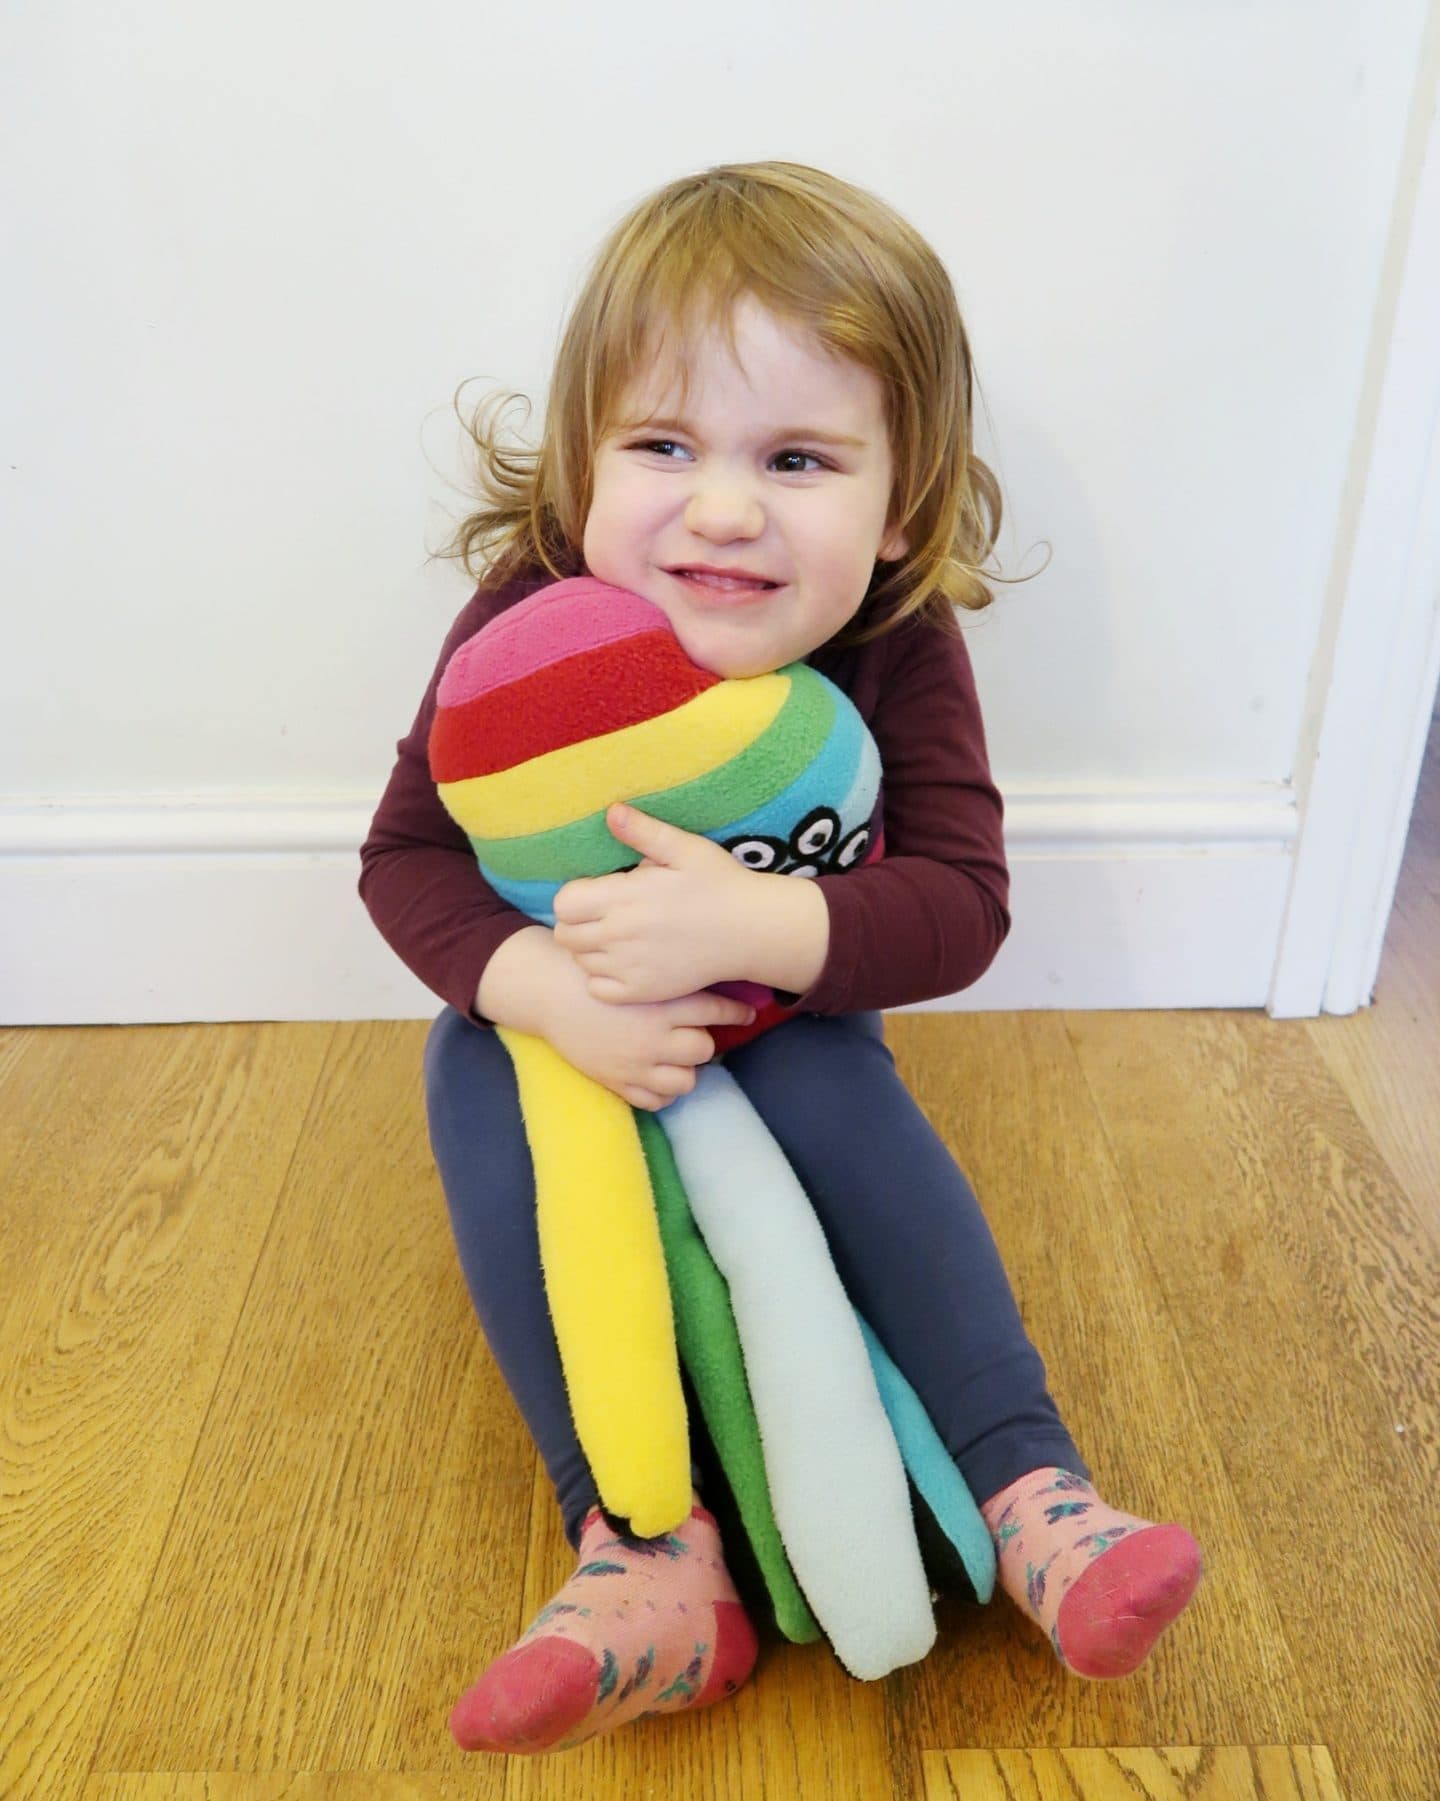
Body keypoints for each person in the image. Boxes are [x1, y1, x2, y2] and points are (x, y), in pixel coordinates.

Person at [359, 160, 1203, 1757]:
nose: (726, 506)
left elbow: (960, 898)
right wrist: (537, 987)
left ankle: (1034, 1490)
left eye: (797, 457)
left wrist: (766, 929)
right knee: (470, 1065)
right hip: (572, 1027)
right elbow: (405, 857)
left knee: (834, 1075)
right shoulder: (529, 618)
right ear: (579, 470)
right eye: (663, 445)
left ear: (898, 507)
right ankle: (642, 1555)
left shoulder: (895, 640)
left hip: (779, 1013)